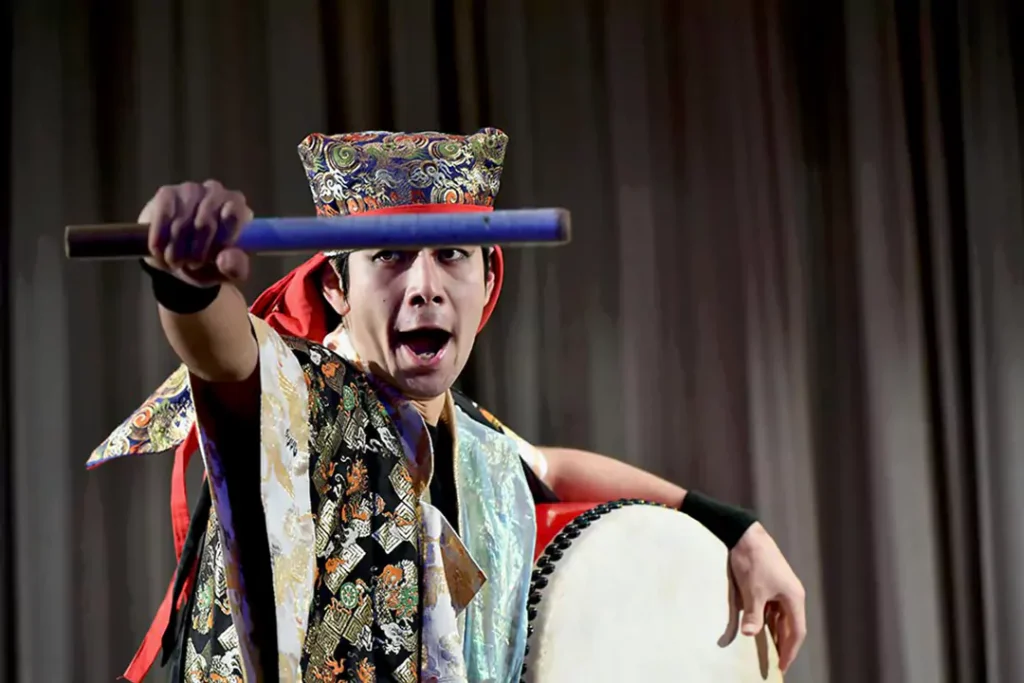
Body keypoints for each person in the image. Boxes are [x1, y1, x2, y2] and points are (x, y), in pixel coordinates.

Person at [88, 128, 806, 682]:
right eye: (391, 256)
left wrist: (736, 530)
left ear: (488, 278)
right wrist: (186, 282)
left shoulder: (479, 447)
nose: (425, 285)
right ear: (337, 287)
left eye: (452, 255)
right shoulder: (304, 401)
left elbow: (547, 465)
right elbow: (223, 352)